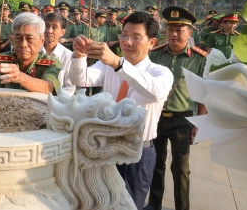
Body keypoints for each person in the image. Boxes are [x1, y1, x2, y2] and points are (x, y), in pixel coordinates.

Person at [69, 11, 173, 210]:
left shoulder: (160, 72)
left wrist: (118, 64)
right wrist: (79, 56)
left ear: (152, 42)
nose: (127, 41)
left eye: (135, 37)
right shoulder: (108, 66)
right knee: (100, 199)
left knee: (130, 204)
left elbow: (156, 92)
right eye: (124, 34)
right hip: (105, 145)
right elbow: (80, 80)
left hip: (137, 151)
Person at [145, 6, 208, 210]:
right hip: (157, 118)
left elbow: (203, 94)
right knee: (156, 165)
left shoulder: (198, 59)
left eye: (179, 30)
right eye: (170, 29)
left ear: (190, 32)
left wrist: (199, 123)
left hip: (184, 120)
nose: (173, 34)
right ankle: (154, 205)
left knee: (181, 169)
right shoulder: (155, 54)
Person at [0, 13, 61, 94]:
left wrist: (20, 77)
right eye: (18, 38)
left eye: (29, 39)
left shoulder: (51, 62)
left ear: (42, 41)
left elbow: (48, 88)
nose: (23, 45)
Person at [41, 13, 76, 96]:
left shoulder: (68, 56)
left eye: (54, 27)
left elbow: (69, 88)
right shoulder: (34, 51)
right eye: (47, 26)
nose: (49, 31)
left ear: (62, 32)